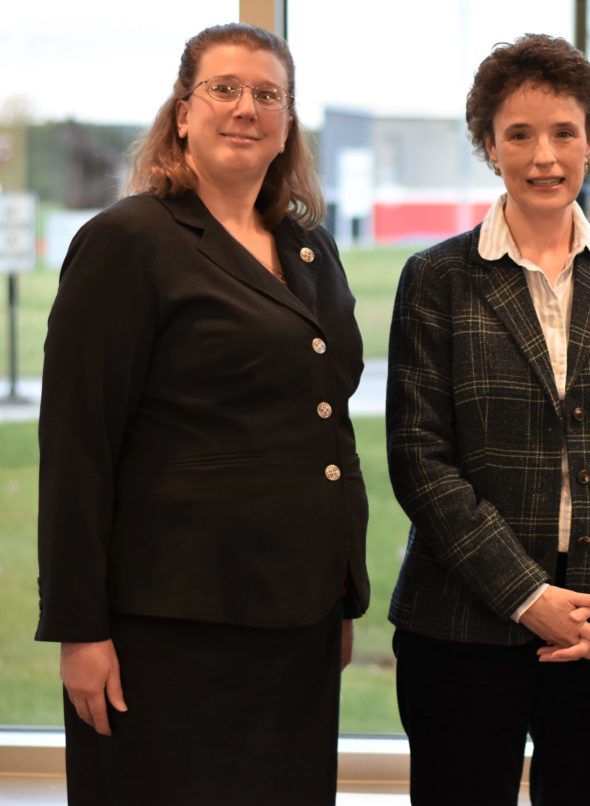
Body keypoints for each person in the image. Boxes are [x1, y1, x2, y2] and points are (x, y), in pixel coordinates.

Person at [34, 22, 369, 806]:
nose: (245, 108)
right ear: (182, 111)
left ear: (288, 122)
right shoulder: (128, 243)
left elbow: (328, 419)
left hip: (297, 618)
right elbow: (78, 447)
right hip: (170, 627)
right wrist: (81, 630)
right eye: (224, 89)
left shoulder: (308, 245)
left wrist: (340, 594)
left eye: (268, 95)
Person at [386, 33, 590, 806]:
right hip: (462, 627)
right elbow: (419, 459)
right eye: (518, 134)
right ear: (488, 146)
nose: (544, 156)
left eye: (564, 132)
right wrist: (529, 597)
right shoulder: (435, 280)